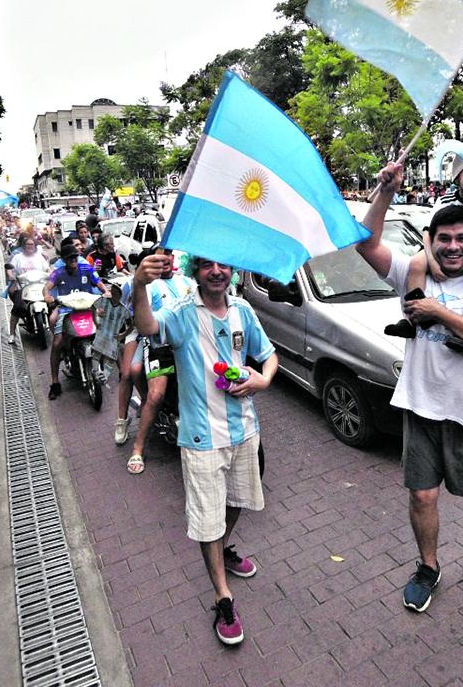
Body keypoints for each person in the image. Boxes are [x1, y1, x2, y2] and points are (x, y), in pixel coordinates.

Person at [355, 161, 463, 617]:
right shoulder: (412, 270)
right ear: (430, 241)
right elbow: (365, 244)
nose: (452, 246)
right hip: (422, 406)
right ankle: (428, 566)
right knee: (422, 496)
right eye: (443, 238)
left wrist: (437, 313)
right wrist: (384, 190)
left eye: (462, 238)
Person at [131, 252, 278, 647]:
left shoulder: (244, 310)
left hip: (245, 430)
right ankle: (222, 595)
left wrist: (262, 381)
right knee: (207, 518)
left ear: (232, 270)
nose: (216, 271)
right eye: (207, 265)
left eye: (224, 265)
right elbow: (148, 326)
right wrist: (139, 284)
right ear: (195, 270)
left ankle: (223, 547)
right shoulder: (181, 312)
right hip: (200, 439)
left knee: (238, 503)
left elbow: (268, 356)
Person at [387, 151, 463, 353]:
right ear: (457, 177)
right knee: (416, 263)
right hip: (439, 248)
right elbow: (428, 232)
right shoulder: (445, 200)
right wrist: (431, 260)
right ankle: (412, 319)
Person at [126, 248, 194, 474]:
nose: (164, 260)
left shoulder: (188, 282)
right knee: (155, 396)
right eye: (158, 256)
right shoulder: (147, 287)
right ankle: (138, 447)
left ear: (174, 259)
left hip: (187, 344)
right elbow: (142, 321)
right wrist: (138, 283)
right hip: (159, 345)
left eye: (168, 255)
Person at [43, 239, 107, 399]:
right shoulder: (58, 273)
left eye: (75, 257)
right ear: (63, 260)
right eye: (69, 258)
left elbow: (99, 283)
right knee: (57, 342)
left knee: (106, 333)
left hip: (88, 308)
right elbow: (47, 286)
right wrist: (47, 295)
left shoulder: (86, 268)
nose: (73, 260)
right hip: (66, 309)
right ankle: (55, 382)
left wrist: (105, 291)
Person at [5, 235, 50, 345]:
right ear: (23, 246)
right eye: (27, 244)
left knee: (53, 303)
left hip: (40, 286)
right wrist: (11, 275)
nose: (29, 246)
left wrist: (52, 273)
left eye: (32, 244)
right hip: (23, 287)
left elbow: (47, 268)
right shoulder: (17, 257)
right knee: (17, 307)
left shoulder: (39, 257)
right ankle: (12, 334)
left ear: (35, 246)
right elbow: (10, 269)